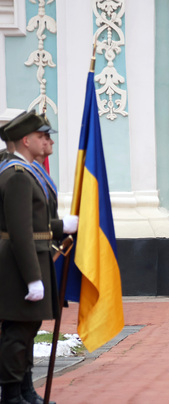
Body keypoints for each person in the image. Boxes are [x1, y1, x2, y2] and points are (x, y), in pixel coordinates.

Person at [0, 110, 78, 404]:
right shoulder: (18, 177)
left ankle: (24, 389)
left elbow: (35, 224)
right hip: (20, 265)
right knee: (17, 331)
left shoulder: (27, 174)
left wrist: (60, 227)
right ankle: (10, 394)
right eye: (42, 136)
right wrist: (33, 278)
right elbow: (20, 232)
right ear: (25, 140)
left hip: (33, 257)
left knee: (27, 328)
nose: (48, 141)